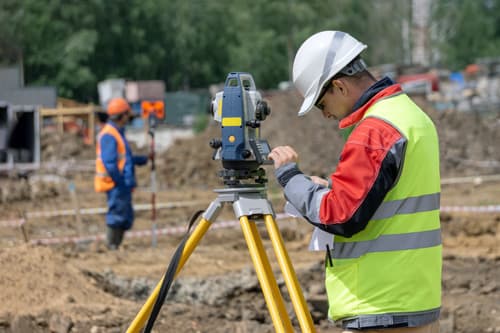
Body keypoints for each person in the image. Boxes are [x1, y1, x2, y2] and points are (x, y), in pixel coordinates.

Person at [268, 31, 441, 332]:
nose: (325, 116)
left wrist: (290, 178)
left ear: (338, 85)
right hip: (414, 298)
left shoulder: (375, 131)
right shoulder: (412, 116)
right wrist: (330, 190)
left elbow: (341, 215)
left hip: (378, 303)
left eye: (322, 105)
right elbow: (389, 199)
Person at [95, 97, 149, 250]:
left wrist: (142, 159)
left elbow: (125, 158)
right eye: (127, 114)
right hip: (114, 183)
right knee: (117, 215)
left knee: (125, 217)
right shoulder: (109, 134)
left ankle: (115, 246)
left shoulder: (117, 132)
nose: (129, 117)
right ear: (122, 115)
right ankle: (111, 246)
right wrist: (120, 181)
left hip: (120, 182)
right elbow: (110, 163)